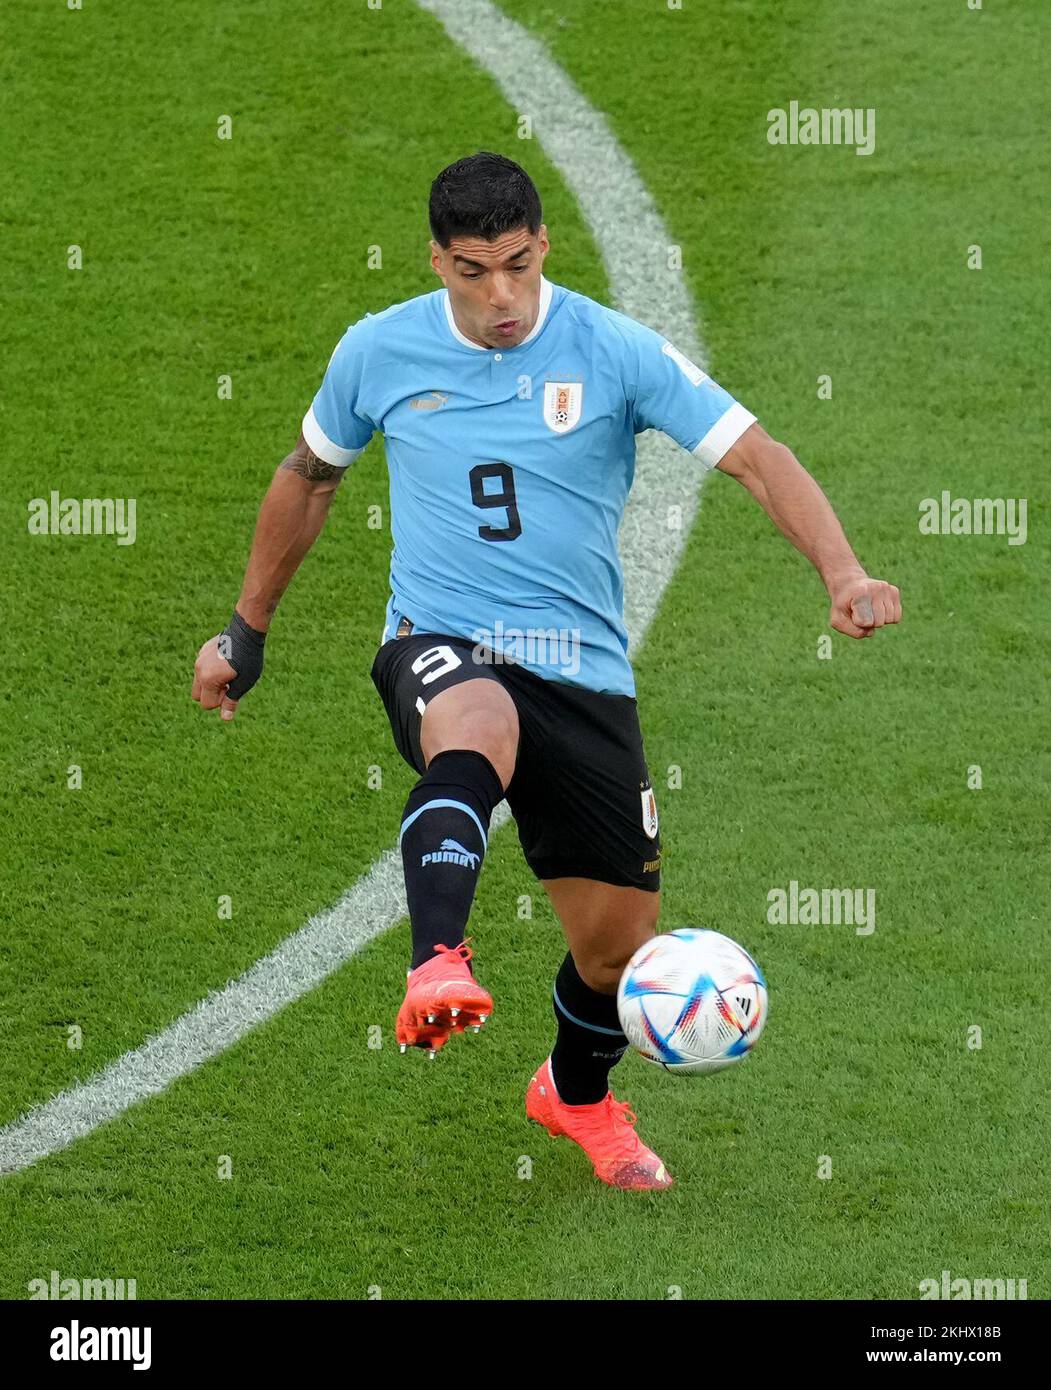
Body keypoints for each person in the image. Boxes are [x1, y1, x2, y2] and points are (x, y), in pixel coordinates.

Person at [192, 151, 901, 1190]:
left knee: (616, 953)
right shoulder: (376, 351)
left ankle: (572, 1095)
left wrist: (842, 569)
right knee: (475, 717)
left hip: (584, 674)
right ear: (437, 259)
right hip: (438, 639)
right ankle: (438, 958)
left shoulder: (612, 349)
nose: (501, 297)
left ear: (543, 247)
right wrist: (245, 630)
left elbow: (757, 453)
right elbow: (309, 477)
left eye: (518, 265)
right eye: (474, 270)